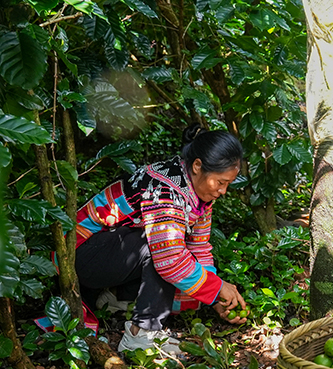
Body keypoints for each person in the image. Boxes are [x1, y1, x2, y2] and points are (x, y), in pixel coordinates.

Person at [73, 124, 247, 355]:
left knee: (169, 247)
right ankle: (140, 333)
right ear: (197, 166)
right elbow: (170, 259)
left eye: (228, 184)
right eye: (220, 182)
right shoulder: (165, 190)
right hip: (82, 254)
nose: (223, 191)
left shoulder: (199, 192)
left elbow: (199, 246)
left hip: (111, 252)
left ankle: (115, 297)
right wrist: (216, 288)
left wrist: (215, 299)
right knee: (164, 250)